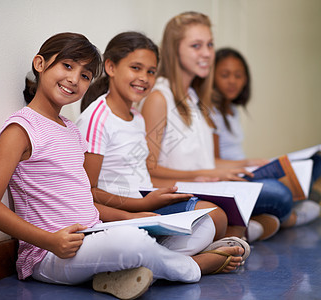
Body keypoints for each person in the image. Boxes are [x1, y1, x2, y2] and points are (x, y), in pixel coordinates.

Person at [0, 32, 248, 300]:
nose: (74, 79)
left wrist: (133, 217)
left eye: (84, 75)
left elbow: (84, 200)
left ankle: (137, 271)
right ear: (40, 64)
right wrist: (48, 240)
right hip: (51, 254)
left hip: (95, 235)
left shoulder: (70, 130)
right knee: (130, 243)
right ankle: (192, 267)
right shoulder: (21, 129)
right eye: (67, 66)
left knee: (202, 226)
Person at [76, 31, 242, 250]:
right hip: (116, 214)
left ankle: (159, 259)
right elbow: (87, 191)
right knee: (215, 220)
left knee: (217, 217)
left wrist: (158, 196)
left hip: (142, 202)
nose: (144, 77)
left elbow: (136, 172)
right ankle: (184, 261)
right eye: (136, 68)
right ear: (111, 67)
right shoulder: (97, 118)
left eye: (151, 71)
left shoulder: (137, 117)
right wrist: (141, 205)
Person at [140, 11, 284, 242]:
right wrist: (206, 174)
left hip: (207, 184)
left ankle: (238, 231)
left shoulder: (194, 97)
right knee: (279, 194)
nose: (207, 53)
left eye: (209, 45)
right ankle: (239, 230)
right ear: (174, 50)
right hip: (183, 189)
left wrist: (245, 164)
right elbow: (149, 170)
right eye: (196, 46)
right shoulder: (159, 98)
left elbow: (204, 161)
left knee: (277, 186)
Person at [211, 47, 321, 229]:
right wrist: (248, 163)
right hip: (234, 175)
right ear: (212, 77)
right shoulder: (211, 112)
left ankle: (297, 198)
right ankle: (292, 213)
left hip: (246, 169)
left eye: (238, 76)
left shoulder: (233, 110)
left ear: (246, 79)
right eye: (225, 75)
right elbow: (212, 162)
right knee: (280, 193)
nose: (232, 81)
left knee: (316, 162)